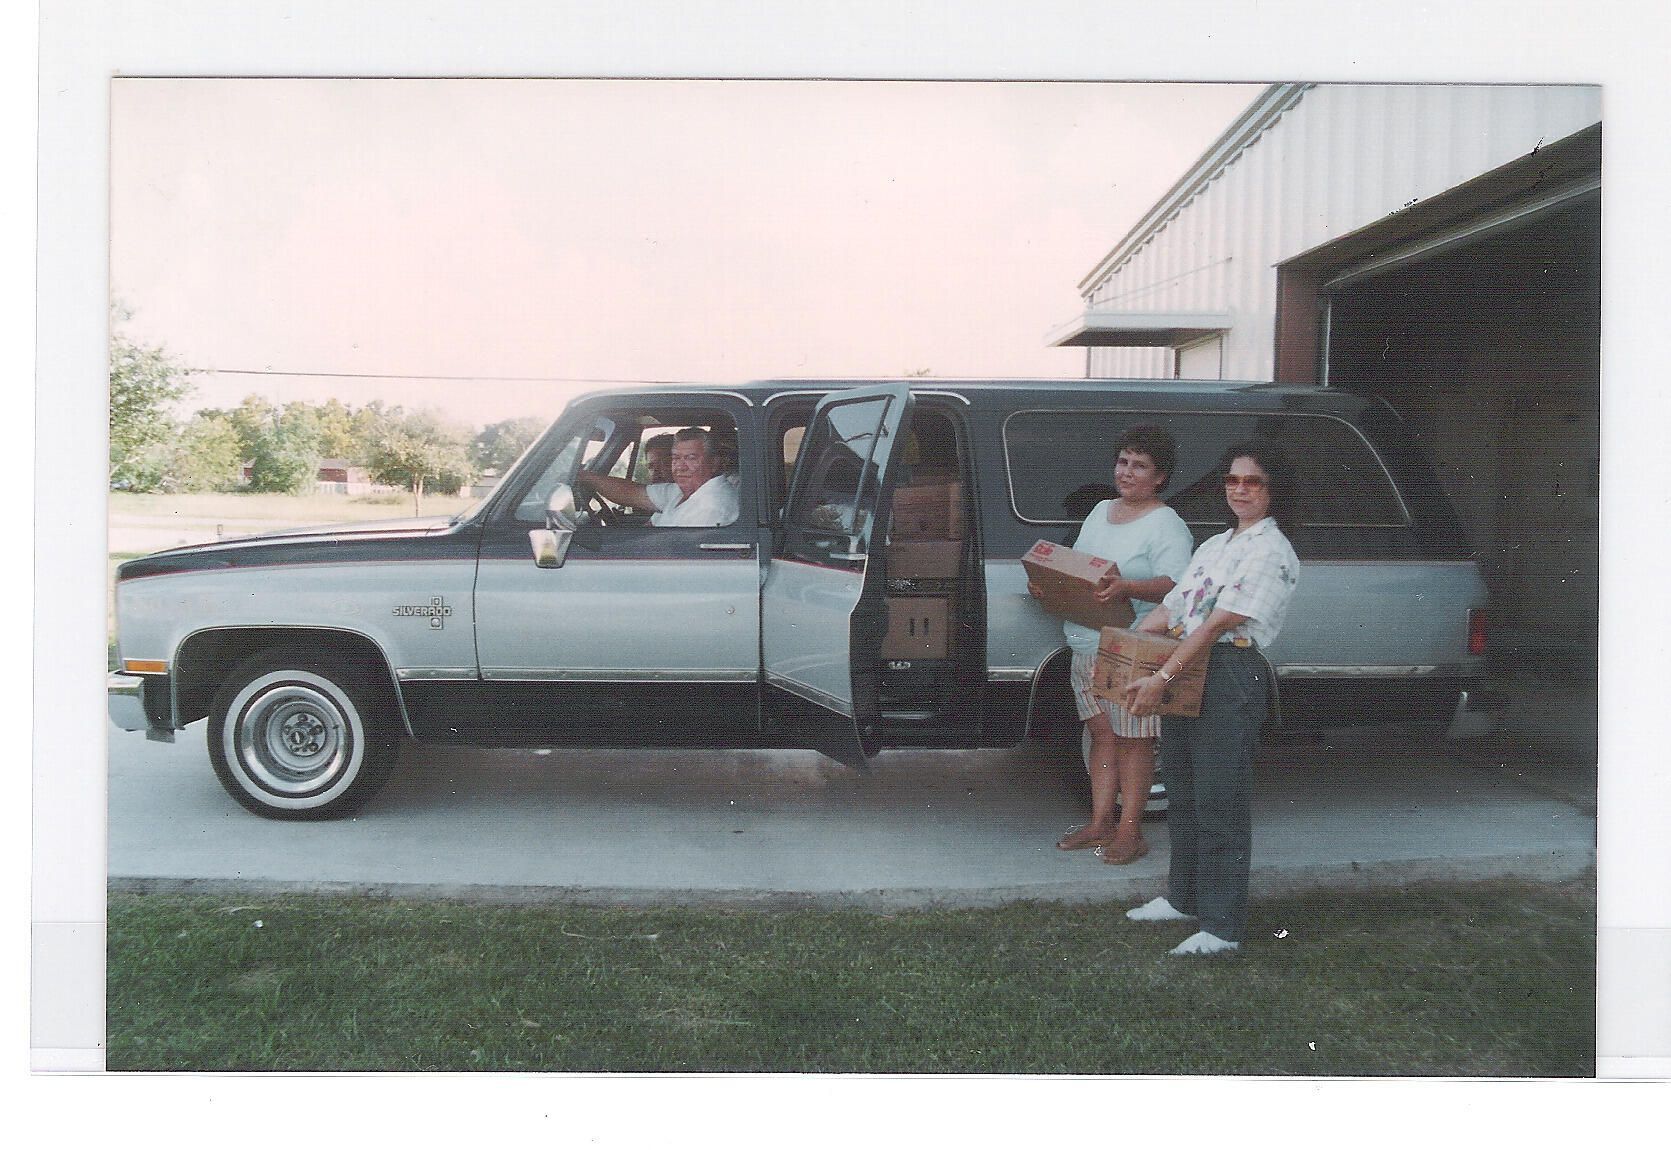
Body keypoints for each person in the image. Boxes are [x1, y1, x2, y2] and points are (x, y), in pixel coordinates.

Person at [1122, 440, 1300, 956]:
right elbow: (1174, 610)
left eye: (1253, 482)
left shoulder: (1271, 551)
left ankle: (1221, 928)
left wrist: (1160, 677)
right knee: (1183, 791)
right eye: (1232, 480)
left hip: (1229, 673)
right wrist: (1127, 651)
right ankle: (1184, 899)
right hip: (1188, 667)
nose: (1239, 490)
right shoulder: (1216, 545)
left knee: (1220, 801)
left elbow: (1216, 625)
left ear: (1273, 491)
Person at [1030, 424, 1194, 864]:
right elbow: (1082, 569)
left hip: (1132, 645)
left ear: (1160, 477)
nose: (1126, 472)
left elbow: (1179, 587)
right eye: (1123, 461)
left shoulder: (1166, 523)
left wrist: (1128, 588)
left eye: (1139, 466)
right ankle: (1101, 823)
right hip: (1086, 642)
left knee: (1133, 740)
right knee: (1101, 734)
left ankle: (1130, 832)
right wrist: (1049, 586)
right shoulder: (1101, 510)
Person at [579, 426, 740, 527]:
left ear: (714, 463)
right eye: (675, 458)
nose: (680, 467)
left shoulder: (712, 507)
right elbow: (634, 493)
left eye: (691, 458)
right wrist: (585, 477)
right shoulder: (681, 492)